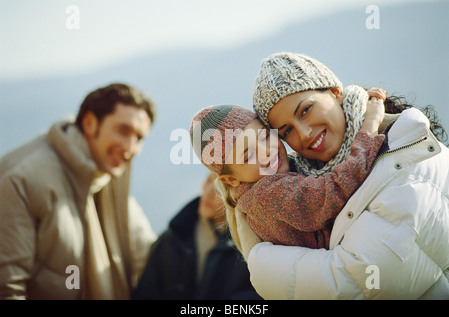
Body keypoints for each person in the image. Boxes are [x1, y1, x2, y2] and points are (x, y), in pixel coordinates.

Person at [236, 52, 449, 299]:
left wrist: (258, 258)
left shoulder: (404, 152)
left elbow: (356, 280)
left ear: (335, 92)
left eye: (305, 110)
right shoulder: (311, 182)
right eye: (287, 131)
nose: (304, 134)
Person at [0, 83, 158, 300]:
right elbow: (7, 288)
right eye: (123, 130)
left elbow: (150, 256)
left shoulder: (108, 172)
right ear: (90, 123)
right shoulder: (21, 180)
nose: (131, 148)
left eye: (139, 138)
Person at [188, 102, 384, 254]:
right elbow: (332, 192)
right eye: (248, 156)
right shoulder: (265, 196)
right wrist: (368, 130)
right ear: (230, 179)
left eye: (265, 137)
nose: (266, 152)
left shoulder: (272, 178)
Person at [131, 172, 261, 300]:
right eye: (209, 180)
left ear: (240, 194)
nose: (208, 193)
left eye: (220, 188)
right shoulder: (172, 238)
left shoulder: (254, 247)